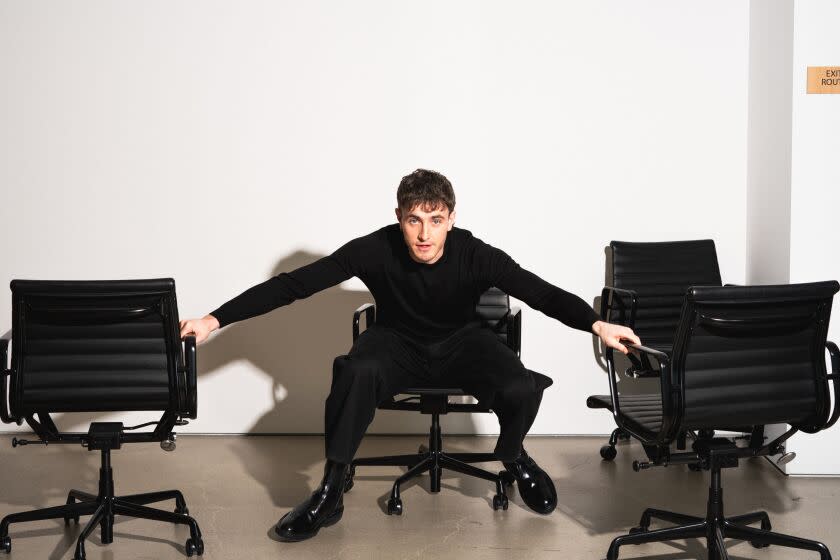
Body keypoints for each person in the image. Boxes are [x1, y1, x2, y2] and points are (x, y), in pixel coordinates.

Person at [180, 169, 640, 542]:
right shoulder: (375, 248)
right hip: (395, 341)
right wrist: (214, 320)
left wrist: (595, 324)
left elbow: (538, 291)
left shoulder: (476, 254)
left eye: (435, 220)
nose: (424, 234)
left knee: (520, 384)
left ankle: (514, 454)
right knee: (354, 370)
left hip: (463, 342)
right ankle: (331, 487)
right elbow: (293, 285)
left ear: (451, 219)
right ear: (398, 217)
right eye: (413, 220)